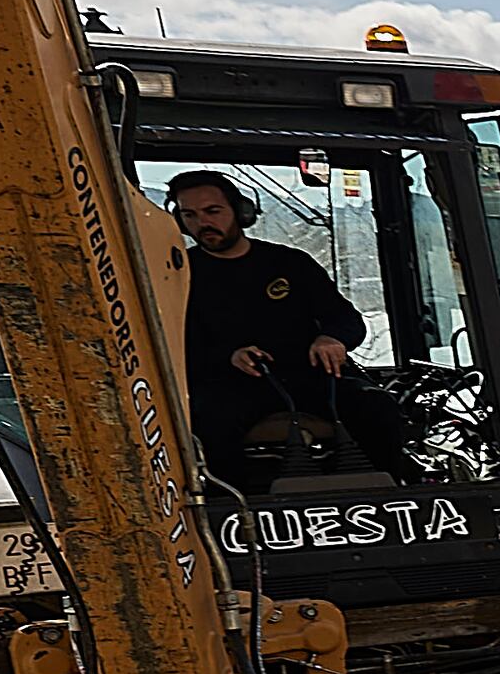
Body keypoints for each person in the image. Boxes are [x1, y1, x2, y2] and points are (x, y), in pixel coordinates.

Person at [169, 169, 410, 475]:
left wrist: (332, 338)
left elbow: (347, 320)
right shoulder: (179, 276)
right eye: (189, 215)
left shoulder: (291, 264)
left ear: (240, 212)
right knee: (205, 423)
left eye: (212, 211)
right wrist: (228, 356)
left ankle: (388, 497)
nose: (202, 223)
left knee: (378, 407)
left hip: (310, 379)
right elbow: (177, 344)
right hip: (230, 386)